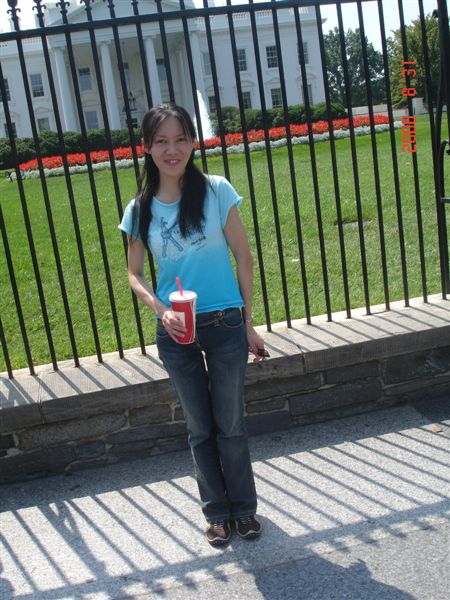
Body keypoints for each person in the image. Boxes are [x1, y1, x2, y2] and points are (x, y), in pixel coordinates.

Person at [119, 102, 266, 547]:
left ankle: (243, 509)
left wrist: (249, 323)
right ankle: (216, 512)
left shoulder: (217, 190)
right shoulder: (140, 209)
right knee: (200, 428)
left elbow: (243, 256)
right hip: (176, 331)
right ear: (146, 148)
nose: (172, 149)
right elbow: (134, 272)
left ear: (192, 142)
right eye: (161, 140)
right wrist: (159, 309)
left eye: (180, 138)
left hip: (223, 323)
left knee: (231, 424)